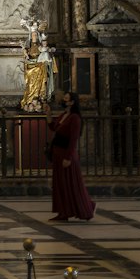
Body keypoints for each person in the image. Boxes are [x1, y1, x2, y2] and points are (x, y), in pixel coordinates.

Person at [46, 91, 95, 221]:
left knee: (71, 184)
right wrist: (48, 114)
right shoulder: (64, 115)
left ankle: (86, 208)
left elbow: (73, 139)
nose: (63, 100)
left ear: (72, 102)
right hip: (58, 153)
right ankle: (63, 212)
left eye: (66, 99)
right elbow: (54, 127)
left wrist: (68, 157)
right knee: (60, 184)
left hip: (65, 154)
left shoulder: (75, 118)